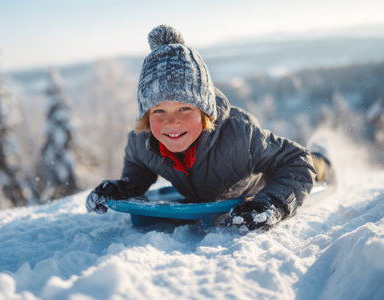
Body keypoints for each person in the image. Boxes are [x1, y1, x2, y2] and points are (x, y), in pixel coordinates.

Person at [86, 25, 332, 231]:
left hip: (265, 179)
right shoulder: (142, 142)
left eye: (185, 109)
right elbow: (139, 165)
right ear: (146, 117)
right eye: (159, 111)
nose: (172, 122)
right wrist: (129, 185)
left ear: (204, 112)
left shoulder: (239, 135)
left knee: (313, 162)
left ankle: (324, 157)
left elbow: (296, 161)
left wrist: (272, 202)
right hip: (212, 190)